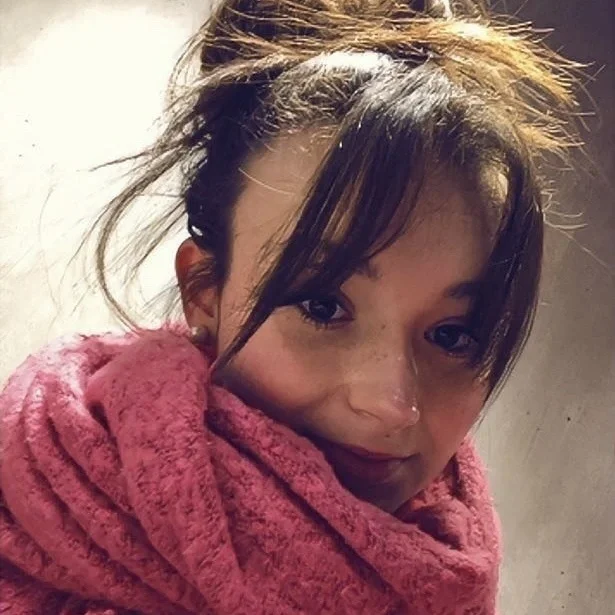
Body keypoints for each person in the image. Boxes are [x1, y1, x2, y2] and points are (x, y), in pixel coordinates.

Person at [0, 0, 578, 613]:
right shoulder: (34, 511)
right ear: (204, 289)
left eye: (454, 334)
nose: (392, 404)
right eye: (323, 306)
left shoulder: (448, 563)